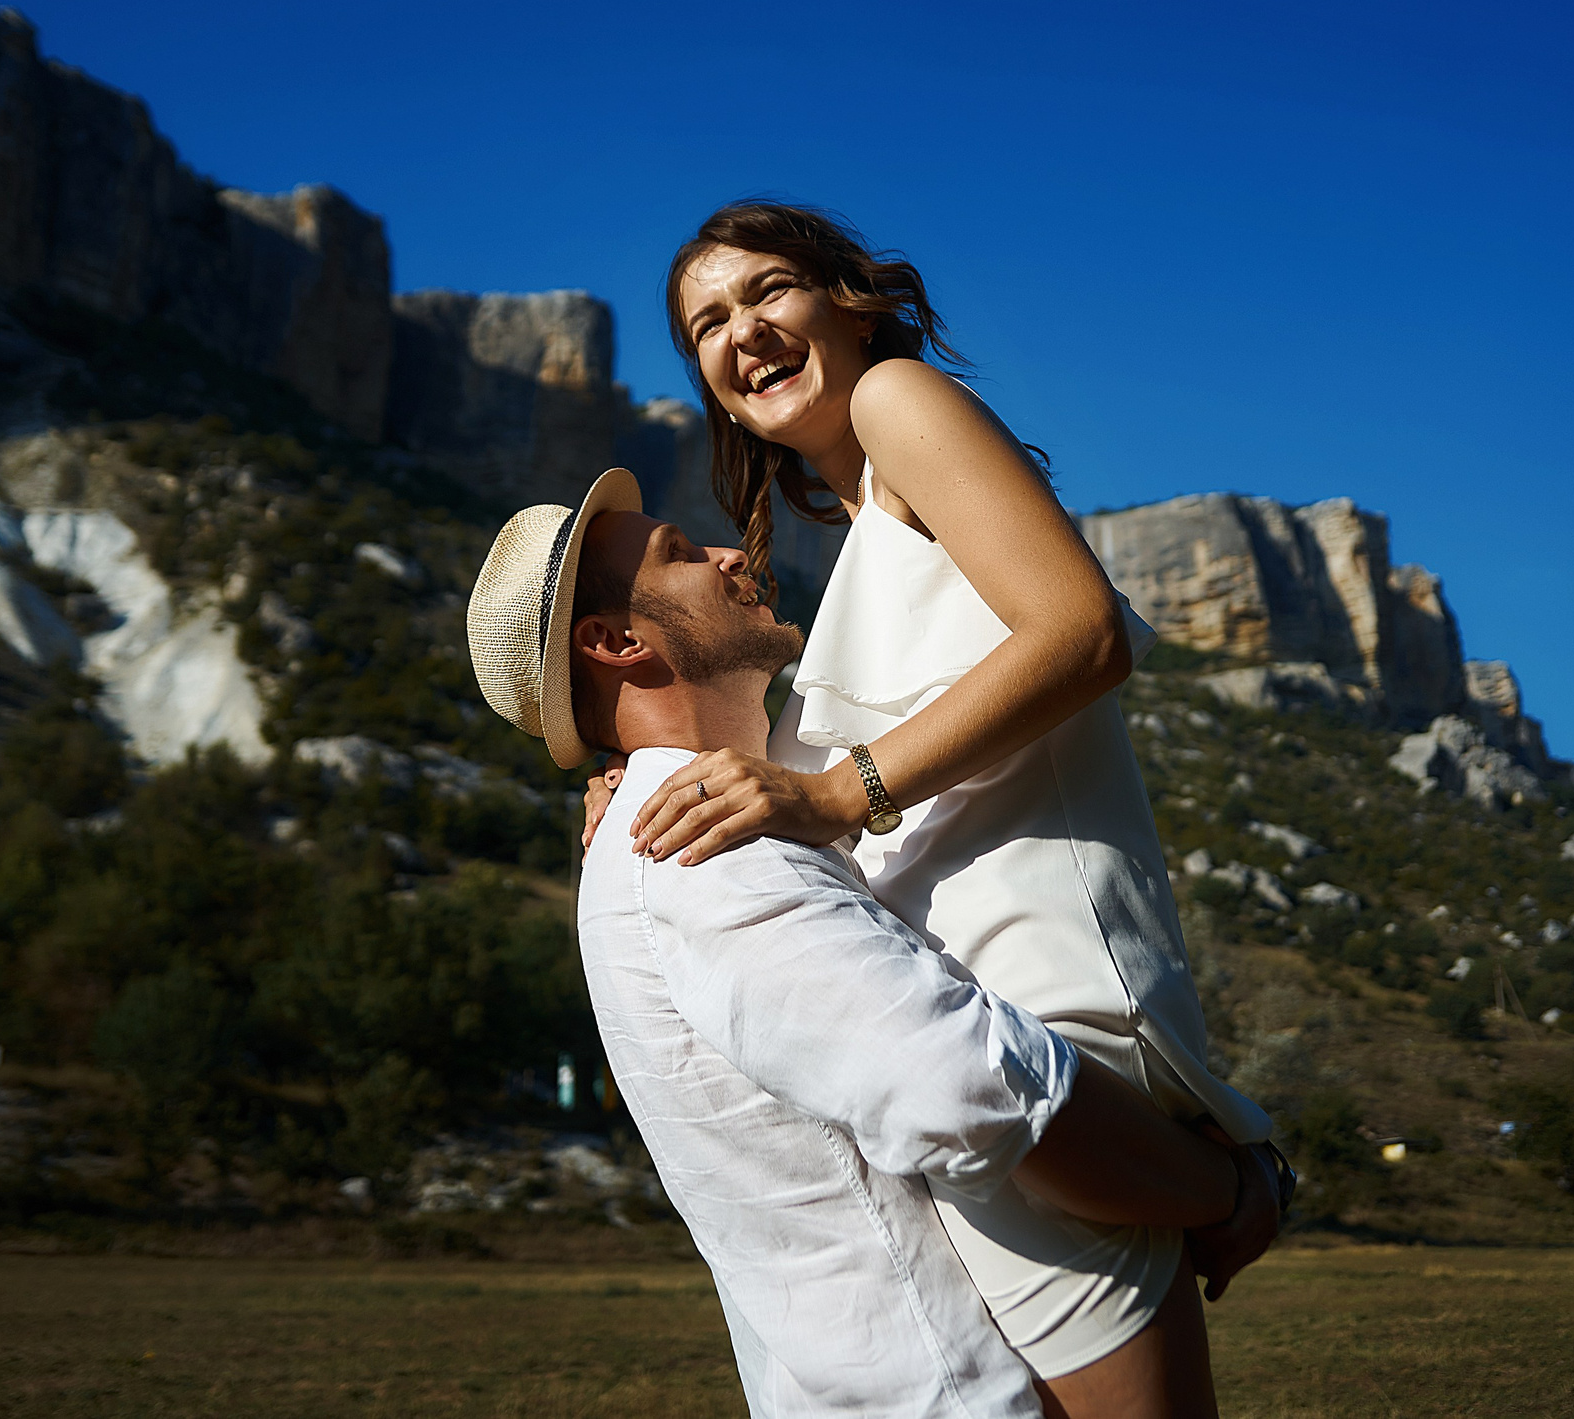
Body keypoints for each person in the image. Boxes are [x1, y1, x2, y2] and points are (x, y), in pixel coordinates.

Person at [600, 200, 1286, 1415]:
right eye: (706, 323)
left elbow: (1080, 635)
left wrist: (831, 790)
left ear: (849, 301)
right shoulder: (858, 531)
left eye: (767, 293)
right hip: (985, 1048)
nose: (740, 333)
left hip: (1053, 1043)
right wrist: (639, 775)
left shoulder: (895, 404)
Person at [467, 470, 1277, 1419]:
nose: (735, 553)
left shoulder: (694, 818)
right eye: (679, 554)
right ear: (616, 642)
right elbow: (971, 1089)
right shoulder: (698, 844)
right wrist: (1231, 1188)